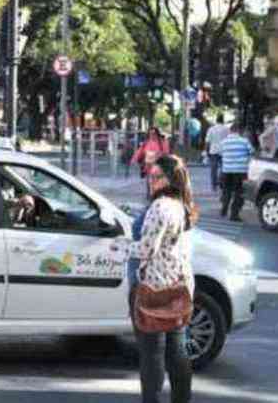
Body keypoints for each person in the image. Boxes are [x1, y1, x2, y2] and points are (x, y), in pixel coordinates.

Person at [109, 154, 197, 403]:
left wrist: (122, 246)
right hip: (179, 287)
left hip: (154, 289)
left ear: (171, 179)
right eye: (150, 175)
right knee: (177, 354)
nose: (152, 181)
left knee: (151, 358)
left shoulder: (160, 206)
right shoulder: (181, 204)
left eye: (158, 177)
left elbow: (147, 249)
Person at [220, 123, 254, 222]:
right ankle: (234, 215)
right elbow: (252, 152)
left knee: (226, 190)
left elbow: (220, 153)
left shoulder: (224, 142)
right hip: (241, 171)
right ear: (240, 131)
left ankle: (224, 208)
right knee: (239, 192)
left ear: (230, 131)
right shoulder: (244, 141)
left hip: (226, 170)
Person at [132, 127, 171, 199]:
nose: (152, 135)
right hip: (148, 168)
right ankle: (150, 198)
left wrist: (159, 154)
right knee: (149, 184)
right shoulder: (146, 142)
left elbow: (166, 153)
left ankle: (157, 197)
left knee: (158, 184)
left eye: (153, 133)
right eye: (150, 134)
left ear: (157, 134)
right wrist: (134, 159)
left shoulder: (162, 142)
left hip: (159, 168)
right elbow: (140, 151)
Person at [204, 114, 230, 192]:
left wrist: (206, 151)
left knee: (213, 169)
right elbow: (229, 140)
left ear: (216, 120)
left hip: (213, 151)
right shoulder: (227, 129)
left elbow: (207, 141)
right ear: (223, 120)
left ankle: (214, 185)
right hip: (224, 151)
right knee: (223, 168)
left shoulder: (211, 129)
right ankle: (222, 182)